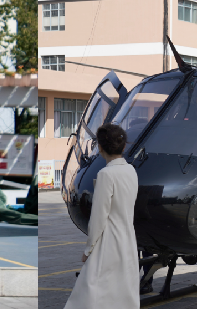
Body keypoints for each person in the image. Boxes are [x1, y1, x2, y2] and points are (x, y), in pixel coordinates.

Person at [64, 123, 138, 309]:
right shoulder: (131, 171)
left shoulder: (106, 174)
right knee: (123, 293)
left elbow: (98, 217)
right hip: (128, 240)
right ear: (124, 146)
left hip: (108, 242)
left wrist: (88, 249)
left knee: (90, 292)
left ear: (100, 147)